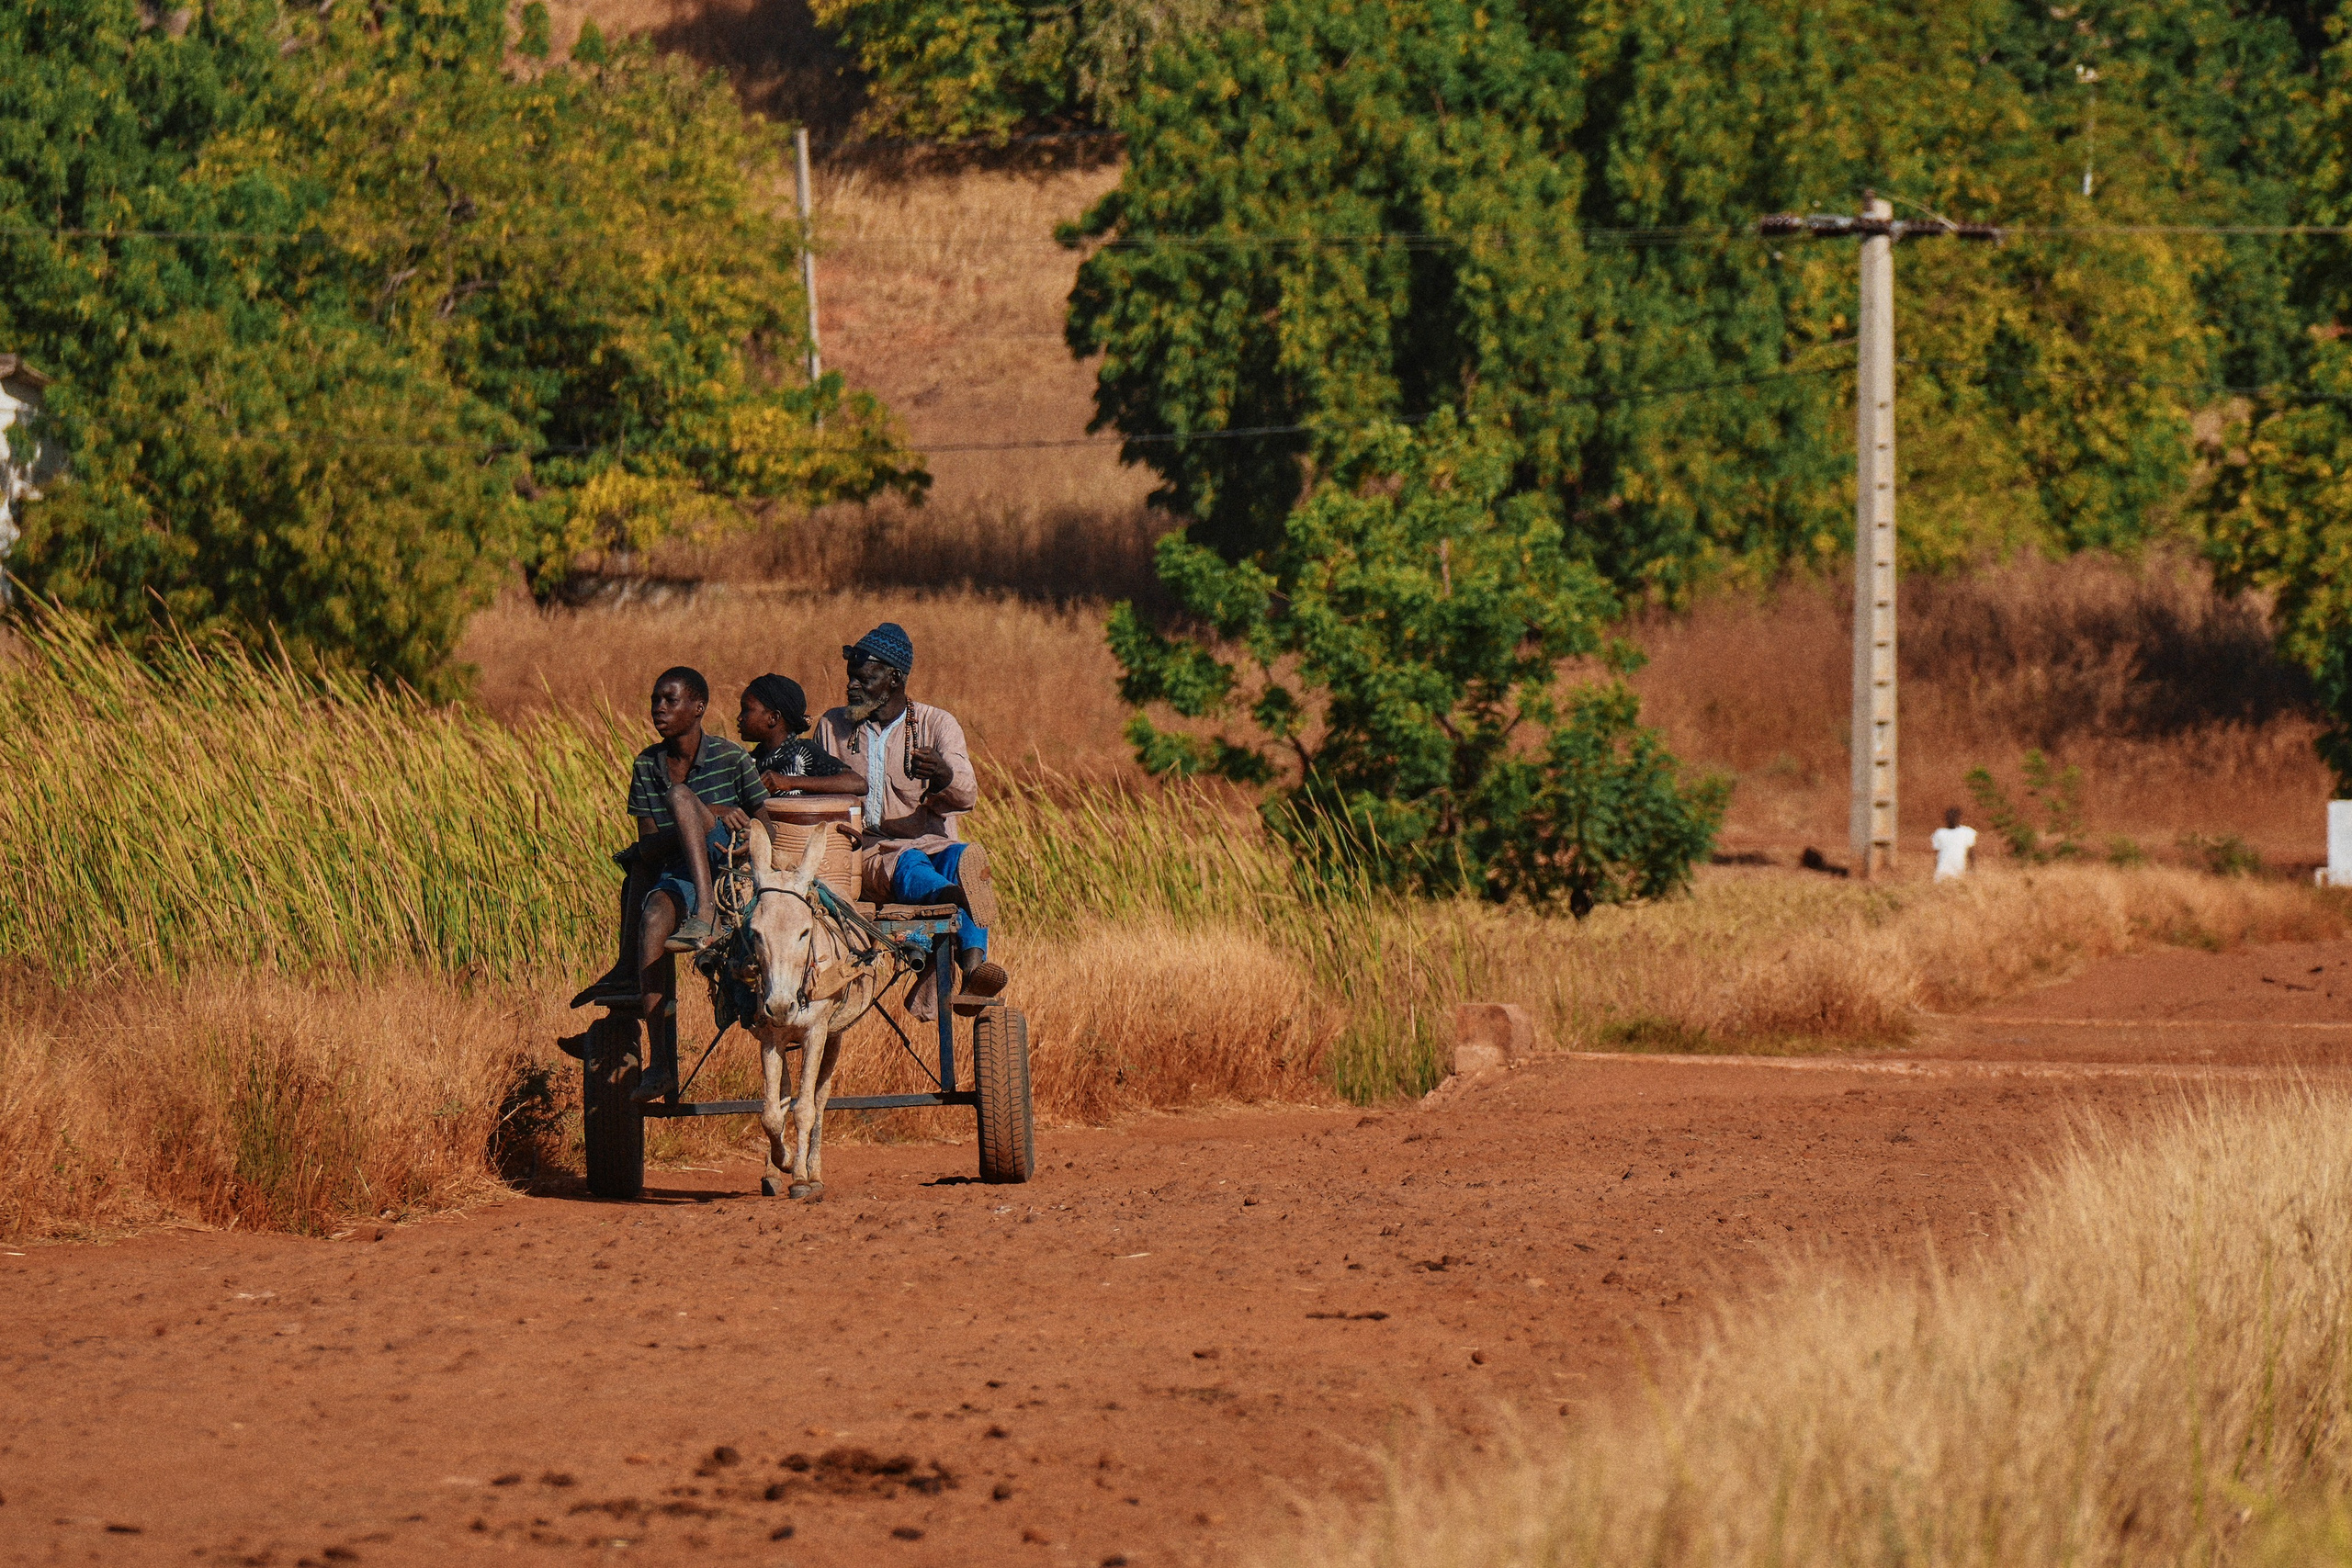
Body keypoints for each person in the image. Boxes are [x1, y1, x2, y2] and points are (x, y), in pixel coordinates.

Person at [571, 667, 766, 1101]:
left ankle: (706, 913)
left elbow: (766, 823)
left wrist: (730, 830)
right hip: (679, 872)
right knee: (653, 918)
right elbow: (647, 845)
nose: (659, 708)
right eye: (655, 700)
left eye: (670, 700)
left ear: (698, 708)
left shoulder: (732, 758)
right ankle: (660, 1064)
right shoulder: (648, 764)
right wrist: (699, 815)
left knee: (679, 797)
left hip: (731, 872)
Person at [814, 622, 1007, 1005]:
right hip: (868, 852)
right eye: (850, 677)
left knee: (965, 858)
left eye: (864, 678)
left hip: (934, 844)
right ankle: (952, 898)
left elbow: (967, 794)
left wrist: (943, 775)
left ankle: (973, 974)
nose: (851, 686)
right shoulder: (831, 726)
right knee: (909, 862)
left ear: (894, 679)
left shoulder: (937, 724)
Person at [1931, 806, 1976, 882]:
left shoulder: (1966, 832)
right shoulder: (1939, 833)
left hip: (1959, 867)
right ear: (1946, 819)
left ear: (1959, 818)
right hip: (1942, 869)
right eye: (1949, 817)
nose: (1952, 820)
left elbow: (1971, 852)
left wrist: (1972, 868)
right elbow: (1937, 854)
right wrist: (1935, 868)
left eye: (1954, 817)